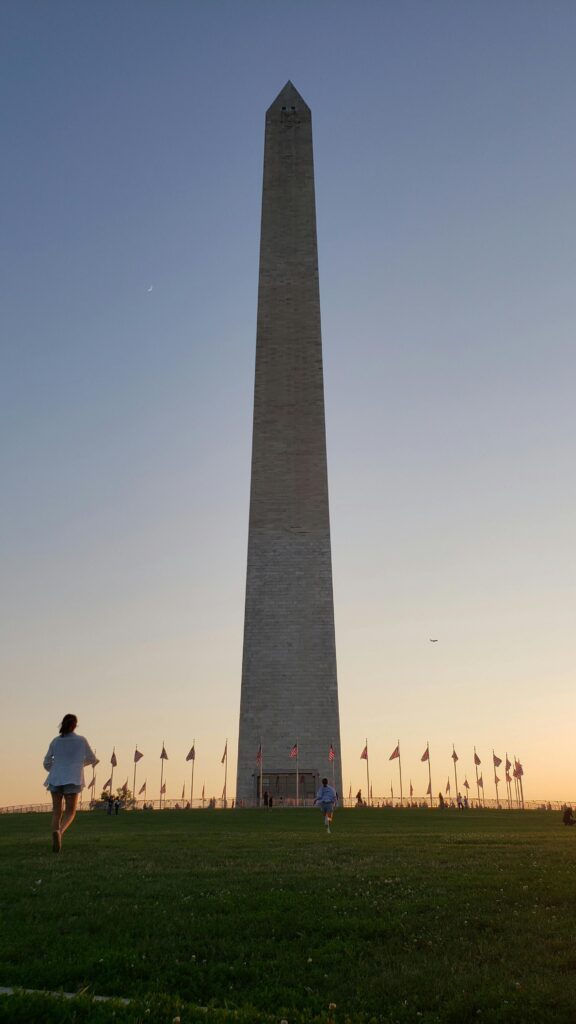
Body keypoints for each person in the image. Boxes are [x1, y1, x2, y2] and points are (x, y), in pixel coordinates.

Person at [43, 714, 98, 853]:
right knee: (70, 811)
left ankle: (55, 833)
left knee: (56, 811)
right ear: (75, 725)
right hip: (73, 778)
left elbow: (47, 762)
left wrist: (56, 769)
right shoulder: (81, 740)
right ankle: (60, 833)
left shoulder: (55, 741)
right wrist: (78, 765)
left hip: (55, 778)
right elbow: (92, 758)